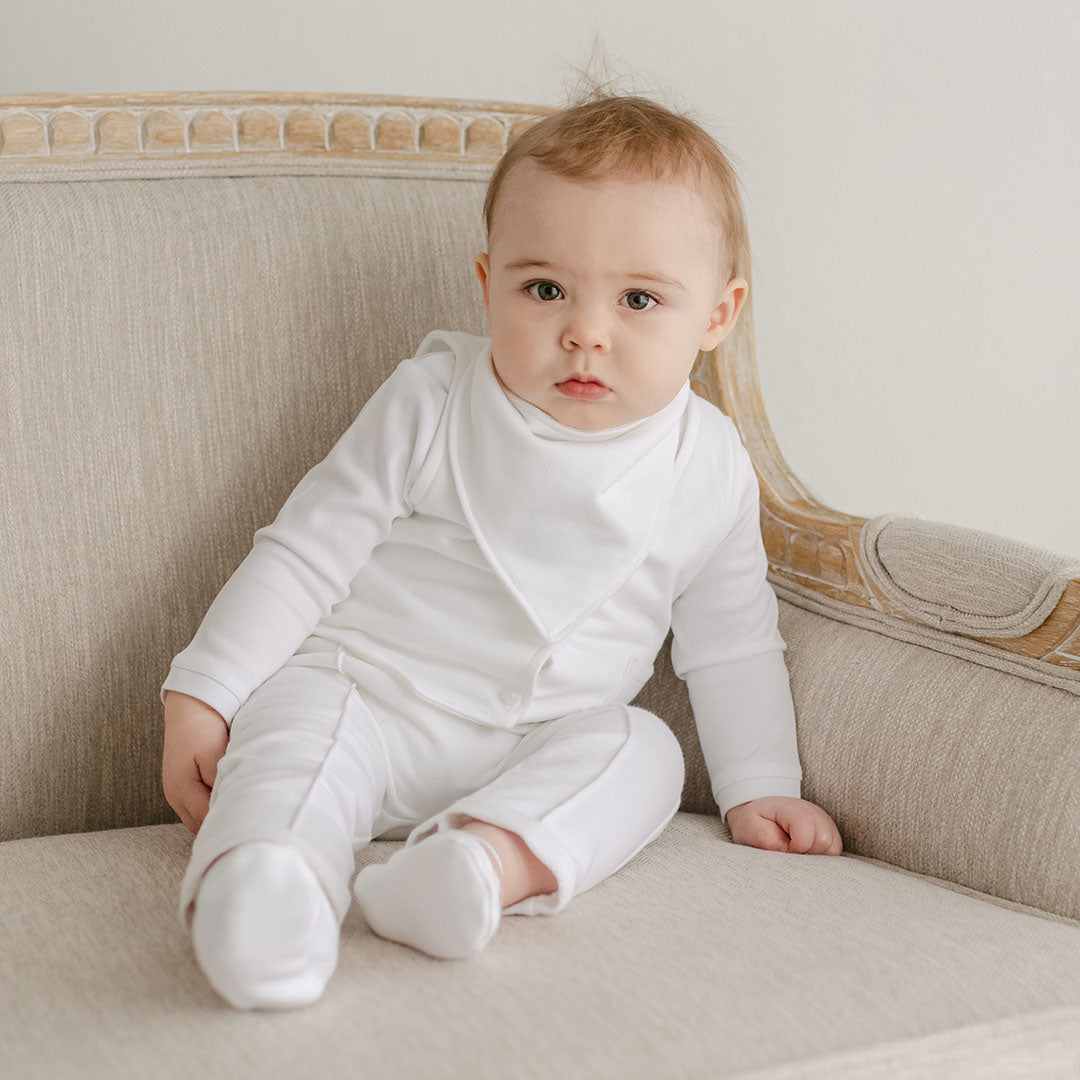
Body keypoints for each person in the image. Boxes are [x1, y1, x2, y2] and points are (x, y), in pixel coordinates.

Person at [161, 89, 843, 1012]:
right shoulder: (432, 401)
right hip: (368, 697)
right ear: (487, 283)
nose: (585, 331)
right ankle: (265, 890)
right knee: (293, 750)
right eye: (545, 288)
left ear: (717, 316)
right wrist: (205, 691)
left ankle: (477, 867)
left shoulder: (711, 464)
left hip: (540, 740)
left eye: (640, 299)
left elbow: (731, 640)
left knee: (644, 750)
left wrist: (760, 783)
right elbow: (303, 554)